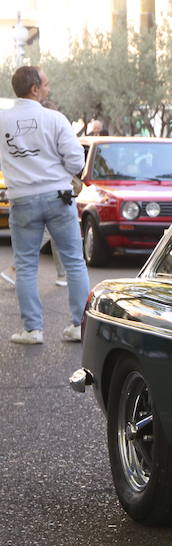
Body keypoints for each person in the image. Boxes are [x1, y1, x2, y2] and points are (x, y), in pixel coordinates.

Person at [0, 65, 91, 344]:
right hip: (57, 196)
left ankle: (32, 330)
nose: (49, 89)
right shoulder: (55, 119)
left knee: (26, 266)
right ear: (35, 89)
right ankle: (80, 325)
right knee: (75, 262)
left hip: (22, 199)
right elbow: (76, 161)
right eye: (47, 85)